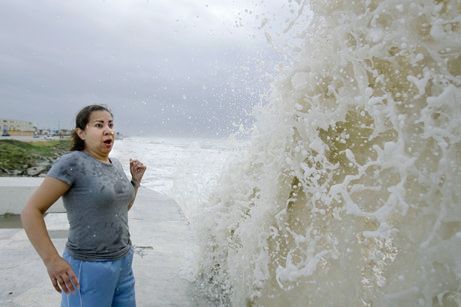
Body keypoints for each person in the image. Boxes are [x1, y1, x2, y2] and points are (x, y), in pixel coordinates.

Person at [21, 104, 146, 306]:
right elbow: (30, 211)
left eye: (110, 124)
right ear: (81, 133)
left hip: (123, 261)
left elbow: (120, 209)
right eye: (99, 125)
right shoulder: (73, 163)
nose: (108, 130)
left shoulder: (116, 165)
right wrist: (51, 260)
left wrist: (135, 182)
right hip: (88, 266)